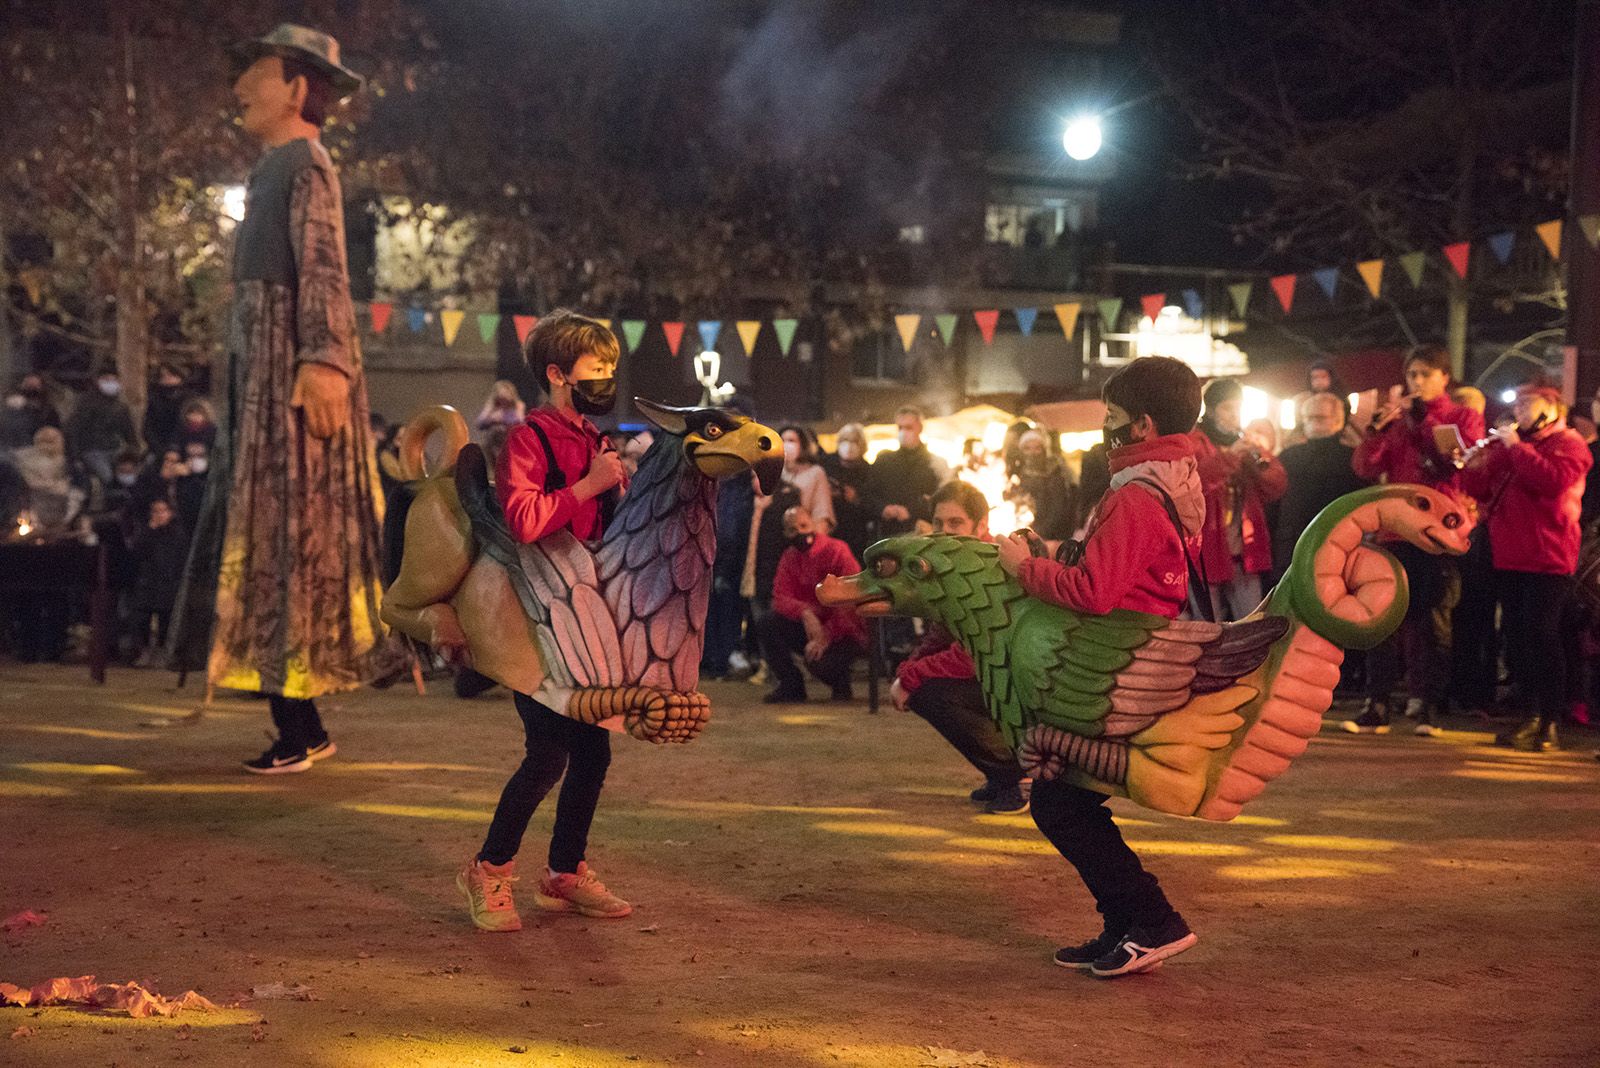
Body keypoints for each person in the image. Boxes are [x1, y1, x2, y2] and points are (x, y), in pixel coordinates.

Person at [165, 25, 390, 775]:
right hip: (260, 385)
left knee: (289, 539)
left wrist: (323, 359)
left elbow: (324, 268)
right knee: (266, 542)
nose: (239, 90)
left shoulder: (307, 164)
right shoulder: (276, 168)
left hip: (289, 393)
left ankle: (300, 726)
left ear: (296, 87)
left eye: (254, 75)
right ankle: (299, 723)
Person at [992, 355, 1205, 978]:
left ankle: (1154, 920)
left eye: (1112, 417)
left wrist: (1022, 569)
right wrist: (1052, 553)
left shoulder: (1136, 494)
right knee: (1067, 801)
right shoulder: (1164, 480)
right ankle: (1125, 922)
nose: (1103, 429)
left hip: (1111, 667)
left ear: (1141, 424)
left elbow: (1095, 592)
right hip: (1125, 656)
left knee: (1060, 804)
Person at [459, 310, 633, 933]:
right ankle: (490, 869)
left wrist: (623, 486)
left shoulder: (594, 437)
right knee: (549, 753)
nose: (607, 377)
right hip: (532, 616)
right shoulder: (527, 439)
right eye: (597, 368)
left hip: (584, 617)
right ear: (558, 373)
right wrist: (588, 486)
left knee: (594, 752)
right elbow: (525, 522)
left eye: (612, 367)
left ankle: (563, 872)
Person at [1343, 343, 1484, 736]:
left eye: (1425, 374)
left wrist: (1423, 424)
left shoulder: (1462, 415)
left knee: (1431, 618)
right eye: (1411, 375)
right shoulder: (1398, 419)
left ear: (1444, 377)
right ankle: (1378, 701)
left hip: (1440, 531)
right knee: (1382, 616)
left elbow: (1457, 467)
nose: (1417, 381)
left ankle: (1426, 703)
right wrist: (1377, 432)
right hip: (1394, 530)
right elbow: (1365, 467)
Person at [1461, 385, 1591, 751]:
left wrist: (1516, 447)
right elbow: (1482, 490)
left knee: (1542, 635)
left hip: (1548, 555)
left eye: (1526, 402)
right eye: (1515, 403)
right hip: (1510, 554)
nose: (1518, 409)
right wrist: (1475, 465)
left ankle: (1550, 719)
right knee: (1518, 639)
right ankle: (1530, 714)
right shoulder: (1515, 445)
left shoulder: (1569, 443)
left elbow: (1551, 482)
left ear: (1551, 407)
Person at [891, 480, 1029, 813]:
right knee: (928, 689)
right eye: (938, 523)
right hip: (997, 675)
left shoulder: (994, 564)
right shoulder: (952, 565)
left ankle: (1019, 777)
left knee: (932, 692)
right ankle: (1002, 776)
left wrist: (912, 678)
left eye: (956, 523)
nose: (944, 532)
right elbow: (942, 632)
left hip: (1021, 679)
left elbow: (977, 651)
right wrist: (907, 670)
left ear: (981, 525)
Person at [1190, 379, 1287, 621]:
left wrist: (1260, 461)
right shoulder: (1194, 441)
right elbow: (1196, 483)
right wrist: (1231, 456)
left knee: (1251, 621)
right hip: (1206, 551)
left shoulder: (1246, 443)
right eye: (1227, 408)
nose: (1234, 415)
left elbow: (1277, 487)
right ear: (1211, 410)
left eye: (1238, 408)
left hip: (1245, 552)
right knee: (1208, 626)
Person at [756, 505, 866, 703]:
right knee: (767, 623)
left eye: (803, 525)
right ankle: (791, 684)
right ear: (785, 533)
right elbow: (780, 597)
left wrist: (826, 634)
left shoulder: (837, 550)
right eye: (792, 529)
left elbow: (850, 598)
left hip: (844, 630)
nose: (799, 532)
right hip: (811, 627)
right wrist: (806, 613)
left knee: (820, 664)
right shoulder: (789, 557)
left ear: (813, 524)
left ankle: (840, 680)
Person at [1271, 392, 1368, 582]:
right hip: (1294, 539)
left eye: (1320, 417)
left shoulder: (1351, 457)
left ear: (1338, 421)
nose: (1313, 423)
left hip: (1338, 538)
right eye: (1308, 418)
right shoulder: (1289, 456)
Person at [866, 405, 949, 536]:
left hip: (924, 536)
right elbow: (868, 495)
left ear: (920, 428)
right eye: (900, 427)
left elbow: (943, 501)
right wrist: (883, 509)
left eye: (909, 427)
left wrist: (912, 511)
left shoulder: (935, 464)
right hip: (888, 535)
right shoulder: (884, 461)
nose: (903, 432)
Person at [127, 497, 190, 667]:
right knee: (142, 618)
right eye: (155, 511)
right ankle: (145, 651)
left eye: (163, 511)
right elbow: (136, 553)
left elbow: (180, 559)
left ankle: (163, 652)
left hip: (168, 583)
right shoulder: (146, 532)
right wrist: (149, 531)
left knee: (165, 619)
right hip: (148, 582)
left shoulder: (178, 534)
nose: (159, 515)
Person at [66, 369, 138, 486]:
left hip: (114, 448)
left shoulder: (120, 407)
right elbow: (74, 429)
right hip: (92, 450)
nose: (111, 383)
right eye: (106, 379)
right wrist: (75, 456)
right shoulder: (86, 404)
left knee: (127, 474)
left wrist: (133, 453)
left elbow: (128, 431)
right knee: (107, 476)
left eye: (113, 379)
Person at [1006, 428, 1075, 540]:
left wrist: (1036, 535)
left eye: (1037, 448)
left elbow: (1057, 512)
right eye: (1027, 448)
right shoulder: (1018, 476)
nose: (1032, 453)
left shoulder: (1055, 476)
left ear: (1044, 450)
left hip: (1049, 537)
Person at [822, 422, 875, 561]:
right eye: (846, 440)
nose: (849, 446)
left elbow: (873, 505)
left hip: (855, 534)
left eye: (854, 441)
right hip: (829, 530)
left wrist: (856, 499)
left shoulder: (868, 471)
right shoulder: (825, 464)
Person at [142, 363, 191, 452]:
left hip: (182, 447)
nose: (167, 378)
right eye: (163, 376)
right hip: (157, 448)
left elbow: (185, 425)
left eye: (171, 375)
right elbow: (147, 427)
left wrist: (175, 447)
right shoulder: (154, 399)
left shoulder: (188, 399)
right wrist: (158, 449)